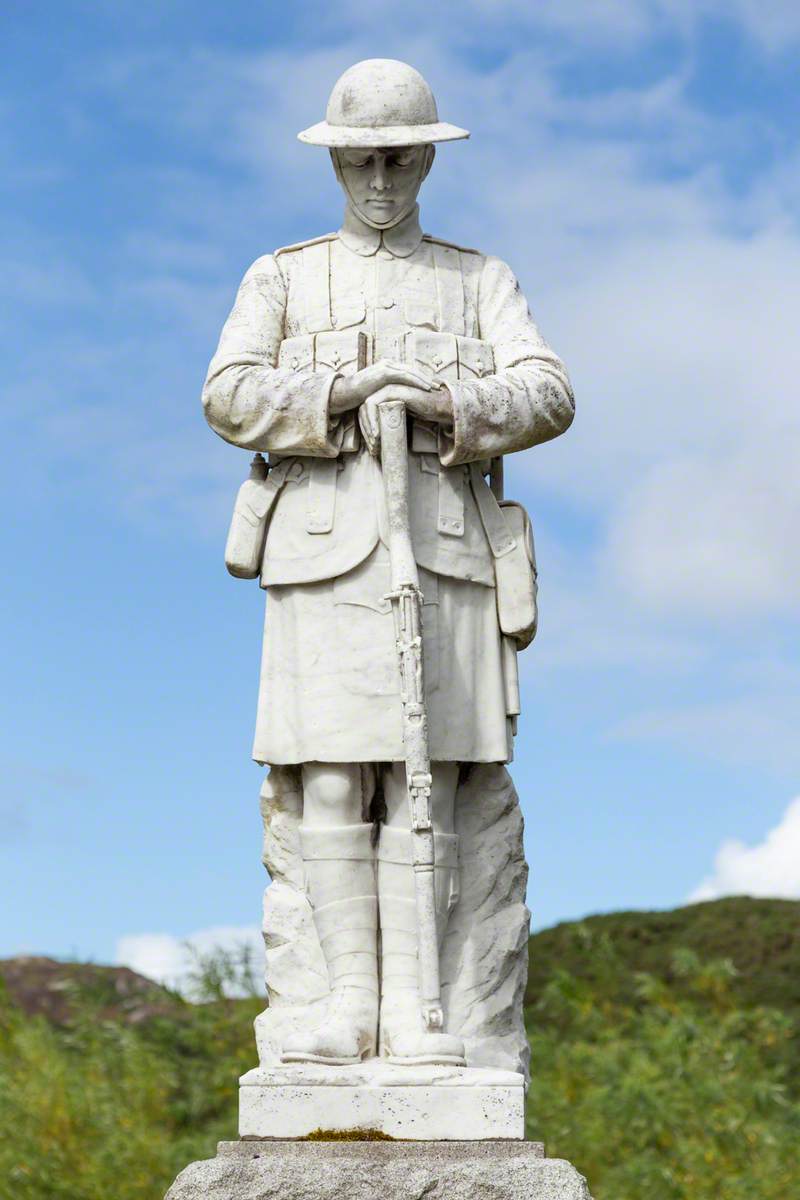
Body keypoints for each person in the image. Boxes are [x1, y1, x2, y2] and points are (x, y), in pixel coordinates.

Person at [202, 59, 574, 1067]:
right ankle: (342, 1008)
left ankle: (421, 1010)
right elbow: (227, 392)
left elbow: (547, 391)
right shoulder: (282, 274)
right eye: (361, 159)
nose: (379, 179)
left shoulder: (478, 279)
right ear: (334, 161)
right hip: (322, 557)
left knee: (438, 786)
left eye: (399, 157)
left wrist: (448, 405)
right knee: (328, 781)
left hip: (446, 556)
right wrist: (341, 391)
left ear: (426, 158)